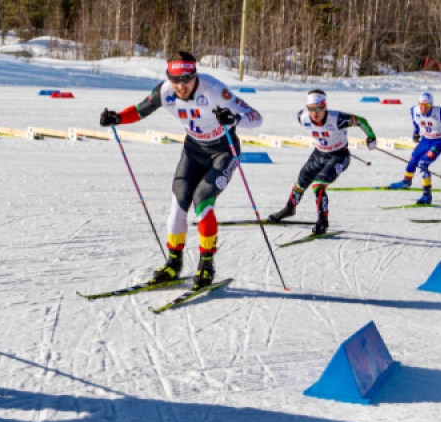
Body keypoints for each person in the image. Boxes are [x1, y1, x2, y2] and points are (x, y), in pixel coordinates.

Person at [100, 51, 262, 288]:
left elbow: (255, 118)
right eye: (175, 80)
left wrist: (234, 119)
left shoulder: (214, 90)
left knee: (202, 199)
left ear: (195, 75)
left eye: (186, 79)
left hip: (223, 151)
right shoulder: (165, 91)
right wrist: (117, 118)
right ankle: (173, 263)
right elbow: (140, 109)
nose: (181, 86)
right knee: (179, 200)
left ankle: (206, 265)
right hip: (193, 150)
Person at [266, 90, 377, 235]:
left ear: (325, 107)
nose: (314, 113)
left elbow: (361, 121)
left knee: (318, 185)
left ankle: (323, 220)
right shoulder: (302, 117)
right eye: (311, 109)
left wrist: (371, 137)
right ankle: (289, 208)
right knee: (301, 181)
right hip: (319, 153)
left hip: (339, 156)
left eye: (318, 109)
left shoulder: (337, 119)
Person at [386, 92, 441, 205]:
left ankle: (427, 195)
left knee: (423, 163)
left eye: (427, 106)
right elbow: (414, 120)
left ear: (431, 105)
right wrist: (416, 132)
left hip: (439, 141)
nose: (423, 108)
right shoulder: (414, 110)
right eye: (421, 105)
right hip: (425, 140)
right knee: (413, 158)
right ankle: (406, 181)